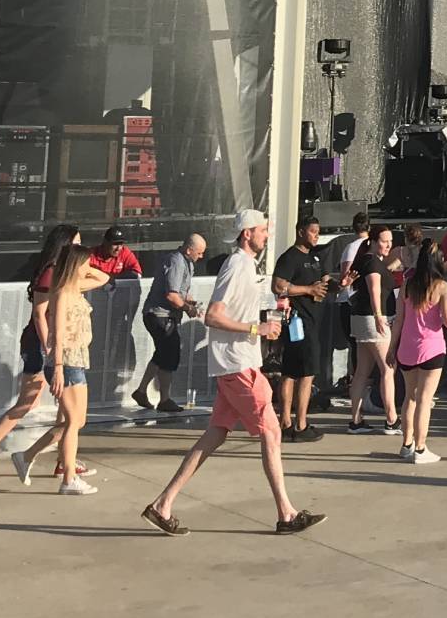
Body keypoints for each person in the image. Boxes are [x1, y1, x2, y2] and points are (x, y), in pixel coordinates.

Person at [144, 210, 323, 536]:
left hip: (236, 363)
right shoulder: (237, 265)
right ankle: (286, 513)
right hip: (237, 365)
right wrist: (257, 327)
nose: (267, 236)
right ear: (246, 234)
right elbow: (213, 316)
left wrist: (269, 313)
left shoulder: (243, 266)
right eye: (263, 231)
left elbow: (236, 312)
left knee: (216, 433)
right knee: (272, 431)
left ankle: (162, 504)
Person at [0, 225, 79, 484]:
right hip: (39, 346)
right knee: (29, 402)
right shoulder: (49, 272)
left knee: (66, 404)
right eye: (76, 244)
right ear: (64, 246)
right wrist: (50, 347)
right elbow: (40, 313)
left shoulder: (61, 272)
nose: (79, 250)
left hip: (47, 345)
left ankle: (65, 460)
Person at [26, 244, 104, 494]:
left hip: (78, 359)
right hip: (65, 361)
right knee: (72, 422)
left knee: (78, 420)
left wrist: (87, 266)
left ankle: (27, 455)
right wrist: (57, 366)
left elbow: (104, 277)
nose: (88, 268)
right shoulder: (61, 293)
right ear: (74, 266)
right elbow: (57, 334)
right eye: (84, 264)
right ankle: (68, 478)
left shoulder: (76, 288)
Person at [394, 238, 447, 464]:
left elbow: (399, 320)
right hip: (431, 348)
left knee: (409, 397)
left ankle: (407, 444)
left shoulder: (407, 285)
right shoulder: (442, 287)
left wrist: (392, 348)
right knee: (424, 399)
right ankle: (421, 448)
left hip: (407, 348)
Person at [269, 214, 331, 440]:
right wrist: (307, 290)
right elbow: (278, 286)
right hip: (297, 322)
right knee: (301, 373)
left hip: (313, 322)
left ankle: (289, 423)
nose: (317, 235)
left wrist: (341, 283)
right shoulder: (290, 257)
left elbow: (324, 283)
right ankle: (296, 424)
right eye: (313, 231)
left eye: (318, 231)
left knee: (297, 372)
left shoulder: (315, 258)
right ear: (301, 232)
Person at [133, 232, 204, 413]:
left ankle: (141, 391)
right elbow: (172, 295)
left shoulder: (187, 263)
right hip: (160, 314)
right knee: (169, 353)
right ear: (189, 250)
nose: (201, 256)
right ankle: (164, 399)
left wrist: (190, 302)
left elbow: (181, 292)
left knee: (163, 353)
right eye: (199, 252)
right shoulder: (176, 262)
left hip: (166, 315)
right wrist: (189, 309)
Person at [341, 220, 400, 437]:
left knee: (362, 372)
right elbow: (375, 290)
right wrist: (378, 317)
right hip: (374, 319)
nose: (388, 245)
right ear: (374, 242)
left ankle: (355, 420)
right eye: (384, 242)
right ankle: (392, 418)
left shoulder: (368, 260)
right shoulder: (373, 263)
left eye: (390, 241)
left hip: (360, 319)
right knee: (387, 369)